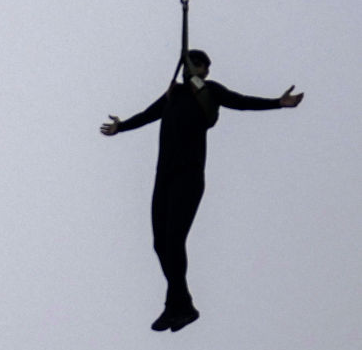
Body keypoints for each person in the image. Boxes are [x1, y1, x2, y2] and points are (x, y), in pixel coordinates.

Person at [101, 49, 302, 331]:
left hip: (189, 174)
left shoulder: (209, 91)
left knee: (174, 241)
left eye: (200, 66)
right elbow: (148, 115)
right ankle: (180, 306)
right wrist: (121, 127)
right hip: (164, 176)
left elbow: (241, 102)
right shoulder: (173, 93)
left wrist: (278, 103)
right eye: (193, 64)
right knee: (160, 244)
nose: (197, 69)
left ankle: (178, 306)